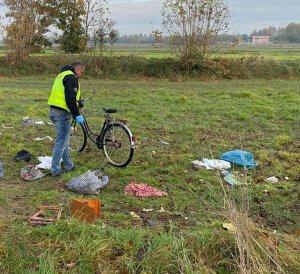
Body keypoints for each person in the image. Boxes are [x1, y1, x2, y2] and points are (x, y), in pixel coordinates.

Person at [47, 61, 85, 176]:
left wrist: (79, 106)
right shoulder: (71, 77)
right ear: (77, 70)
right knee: (61, 143)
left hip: (54, 111)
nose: (81, 74)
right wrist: (76, 114)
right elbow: (70, 98)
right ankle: (55, 170)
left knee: (64, 141)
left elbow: (67, 95)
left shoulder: (62, 75)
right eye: (82, 72)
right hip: (62, 114)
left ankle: (69, 165)